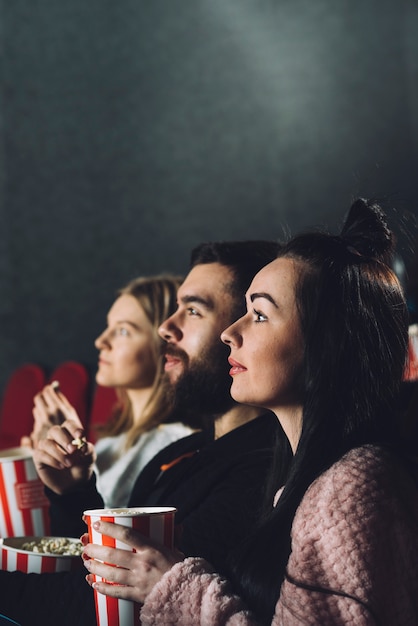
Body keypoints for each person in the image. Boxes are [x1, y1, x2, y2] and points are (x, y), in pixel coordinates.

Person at [82, 199, 418, 625]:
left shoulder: (353, 487)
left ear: (325, 345)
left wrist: (171, 585)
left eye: (258, 314)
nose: (229, 333)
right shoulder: (304, 474)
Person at [0, 240, 283, 626]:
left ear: (242, 330)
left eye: (194, 311)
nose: (166, 327)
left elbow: (103, 604)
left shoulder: (259, 474)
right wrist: (75, 493)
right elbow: (100, 571)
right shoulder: (188, 450)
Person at [28, 274, 195, 508]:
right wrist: (57, 451)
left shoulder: (175, 447)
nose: (100, 341)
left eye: (123, 331)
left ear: (164, 344)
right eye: (109, 327)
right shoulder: (110, 444)